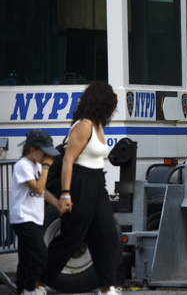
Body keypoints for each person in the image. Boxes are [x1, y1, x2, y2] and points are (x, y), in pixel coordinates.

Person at [39, 81, 121, 295]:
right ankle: (37, 282)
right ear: (99, 102)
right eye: (110, 101)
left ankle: (106, 287)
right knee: (71, 239)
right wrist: (65, 194)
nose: (113, 106)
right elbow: (68, 161)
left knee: (107, 235)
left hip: (97, 184)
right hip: (79, 182)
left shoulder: (98, 125)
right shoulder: (83, 125)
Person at [10, 130, 61, 295]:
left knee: (25, 260)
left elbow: (44, 191)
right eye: (44, 153)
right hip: (23, 217)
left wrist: (58, 204)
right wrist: (46, 167)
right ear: (32, 150)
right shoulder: (22, 166)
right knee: (40, 255)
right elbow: (38, 188)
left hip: (35, 217)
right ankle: (29, 289)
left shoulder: (37, 165)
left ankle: (21, 291)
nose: (47, 157)